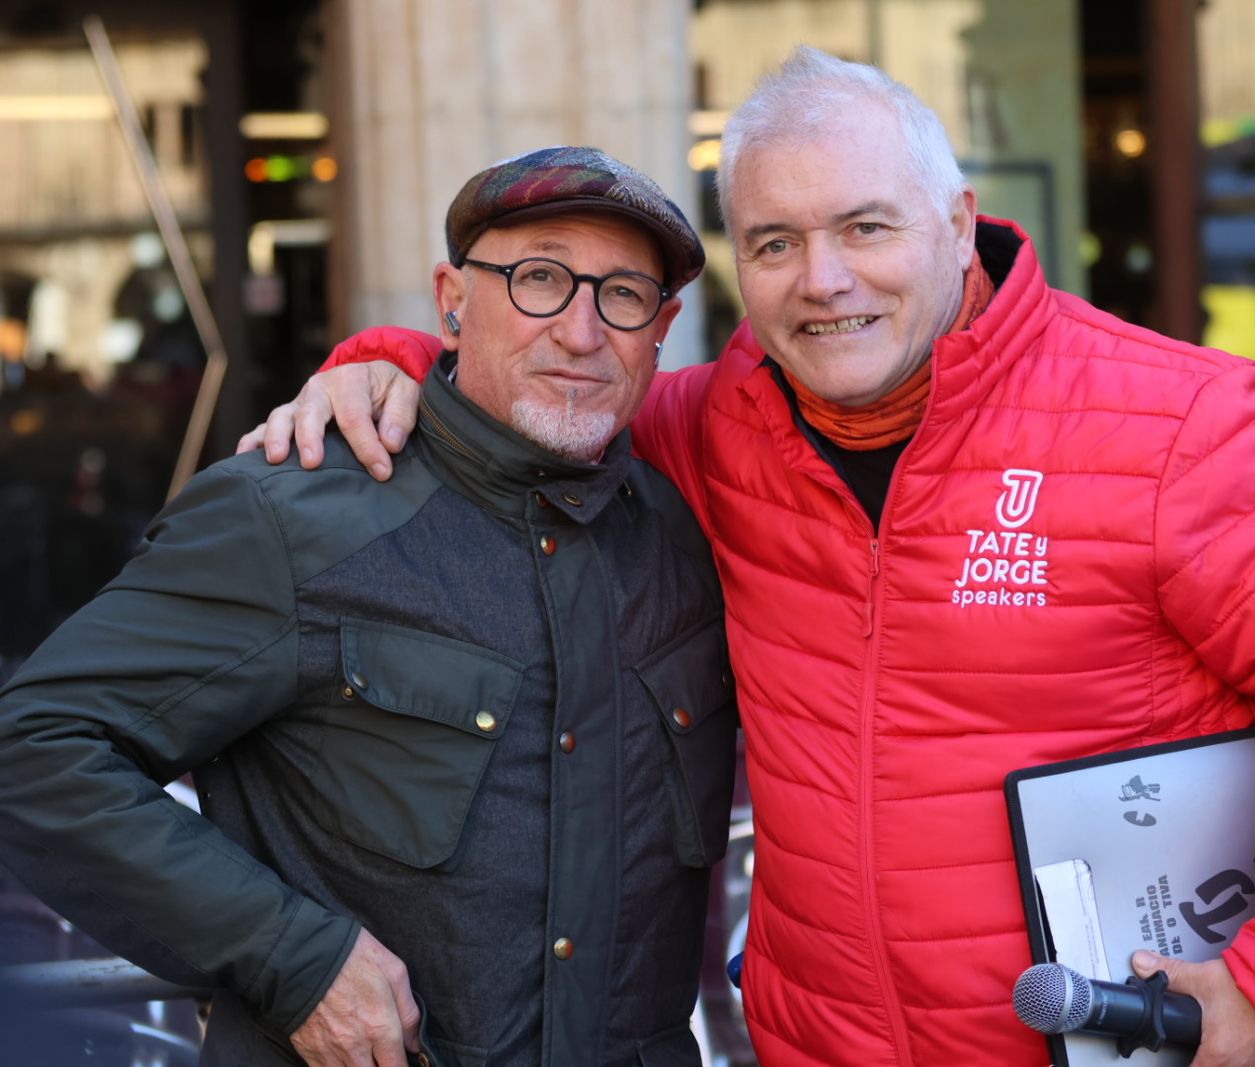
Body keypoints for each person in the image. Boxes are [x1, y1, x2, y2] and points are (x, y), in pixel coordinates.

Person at [246, 49, 1255, 1067]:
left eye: (864, 226)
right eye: (775, 242)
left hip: (1137, 1040)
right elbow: (542, 387)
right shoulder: (708, 429)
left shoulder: (1174, 423)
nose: (822, 280)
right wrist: (397, 361)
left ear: (957, 223)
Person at [0, 146, 736, 1067]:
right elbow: (33, 750)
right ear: (452, 300)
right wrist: (290, 955)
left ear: (662, 327)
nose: (582, 332)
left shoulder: (688, 535)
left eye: (623, 294)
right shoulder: (295, 514)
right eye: (540, 278)